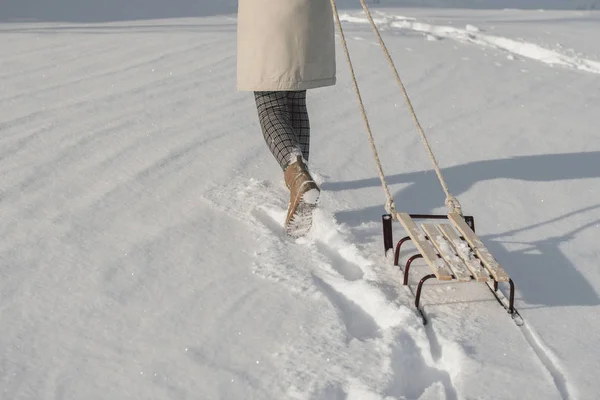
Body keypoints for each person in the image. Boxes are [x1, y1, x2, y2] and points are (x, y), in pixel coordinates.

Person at [237, 0, 337, 237]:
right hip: (308, 11)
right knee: (294, 95)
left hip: (267, 12)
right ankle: (302, 182)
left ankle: (297, 175)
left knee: (269, 100)